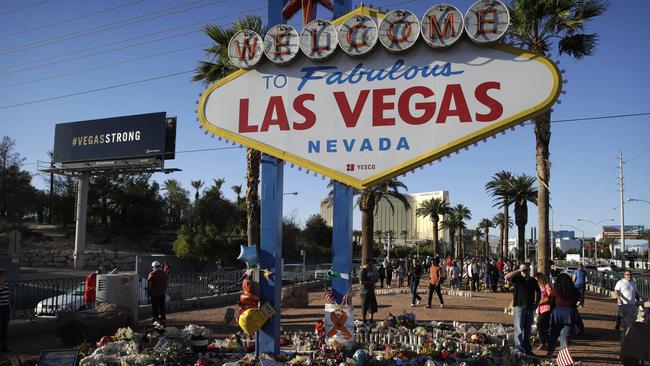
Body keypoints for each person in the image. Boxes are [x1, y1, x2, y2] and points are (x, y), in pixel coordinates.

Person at [505, 264, 541, 355]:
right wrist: (518, 270)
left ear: (529, 270)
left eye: (526, 270)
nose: (524, 272)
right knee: (519, 330)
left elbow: (538, 292)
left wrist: (536, 304)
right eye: (523, 271)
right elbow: (507, 277)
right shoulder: (518, 279)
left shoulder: (533, 280)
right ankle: (519, 349)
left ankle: (528, 349)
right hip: (518, 307)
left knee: (527, 330)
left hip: (529, 307)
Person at [546, 273, 581, 357]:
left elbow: (550, 301)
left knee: (553, 334)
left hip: (557, 314)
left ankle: (550, 352)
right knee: (565, 336)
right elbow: (578, 299)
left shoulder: (556, 291)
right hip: (570, 314)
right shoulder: (574, 291)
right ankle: (563, 354)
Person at [534, 273, 553, 351]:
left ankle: (542, 343)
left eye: (536, 279)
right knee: (544, 327)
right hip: (539, 309)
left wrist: (544, 302)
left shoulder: (547, 286)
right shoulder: (537, 287)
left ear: (540, 279)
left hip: (547, 308)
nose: (535, 281)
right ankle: (547, 343)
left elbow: (551, 297)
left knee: (539, 324)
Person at [0, 270, 10, 352]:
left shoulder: (6, 284)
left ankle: (4, 345)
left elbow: (8, 296)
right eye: (3, 276)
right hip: (0, 308)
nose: (4, 277)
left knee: (4, 327)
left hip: (6, 307)